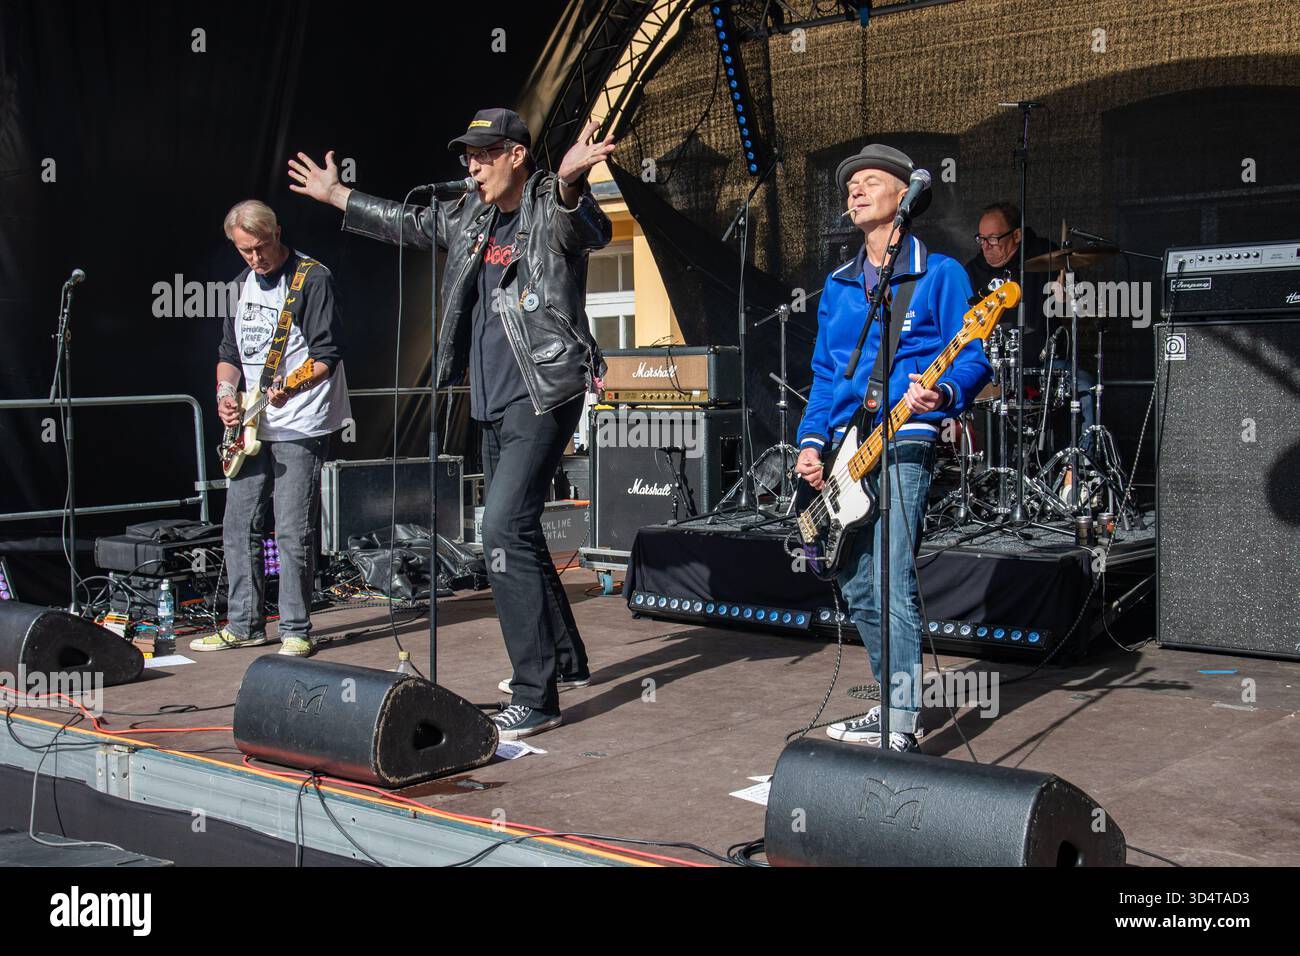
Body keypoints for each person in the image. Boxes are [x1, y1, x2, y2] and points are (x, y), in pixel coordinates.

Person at [287, 108, 614, 740]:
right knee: (515, 529)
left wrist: (574, 181)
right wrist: (337, 196)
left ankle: (535, 695)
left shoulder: (549, 205)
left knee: (501, 528)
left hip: (544, 390)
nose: (471, 165)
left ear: (516, 155)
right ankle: (567, 661)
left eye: (484, 154)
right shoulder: (470, 216)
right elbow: (406, 222)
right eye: (466, 155)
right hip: (490, 397)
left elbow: (587, 227)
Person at [795, 145, 992, 752]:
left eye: (869, 181)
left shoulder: (941, 275)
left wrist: (945, 396)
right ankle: (889, 702)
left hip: (906, 436)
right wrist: (811, 441)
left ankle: (902, 723)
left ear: (904, 194)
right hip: (849, 446)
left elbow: (974, 358)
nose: (854, 191)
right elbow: (828, 375)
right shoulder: (840, 284)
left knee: (890, 577)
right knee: (854, 581)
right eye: (849, 184)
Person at [193, 200, 351, 657]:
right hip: (251, 422)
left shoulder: (312, 278)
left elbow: (327, 353)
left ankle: (296, 628)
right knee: (238, 524)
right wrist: (225, 395)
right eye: (245, 251)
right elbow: (228, 352)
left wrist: (291, 385)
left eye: (260, 247)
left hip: (300, 421)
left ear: (277, 233)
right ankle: (244, 623)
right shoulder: (240, 286)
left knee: (292, 528)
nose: (255, 259)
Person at [965, 201, 1095, 453]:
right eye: (981, 239)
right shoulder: (973, 270)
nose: (986, 247)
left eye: (993, 239)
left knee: (1085, 387)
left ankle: (1078, 471)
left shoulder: (1046, 255)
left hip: (1044, 364)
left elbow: (1079, 312)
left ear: (1016, 235)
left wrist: (1068, 297)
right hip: (996, 368)